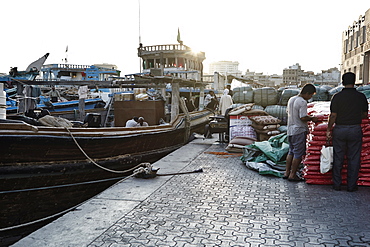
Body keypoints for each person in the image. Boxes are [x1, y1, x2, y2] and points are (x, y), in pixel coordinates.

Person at [326, 72, 368, 192]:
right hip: (355, 129)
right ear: (354, 82)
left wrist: (329, 129)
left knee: (338, 157)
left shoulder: (337, 97)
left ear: (343, 82)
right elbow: (365, 114)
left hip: (340, 129)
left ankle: (337, 185)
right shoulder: (361, 96)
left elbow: (333, 115)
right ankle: (351, 186)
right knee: (354, 158)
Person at [284, 83, 318, 181]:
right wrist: (312, 118)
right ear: (307, 93)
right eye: (310, 95)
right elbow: (303, 117)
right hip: (299, 130)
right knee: (298, 153)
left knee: (291, 152)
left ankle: (286, 172)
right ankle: (293, 175)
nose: (310, 97)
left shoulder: (291, 99)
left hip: (290, 130)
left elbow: (288, 112)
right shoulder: (302, 102)